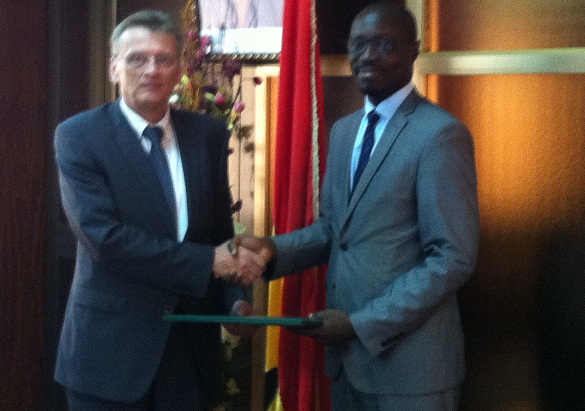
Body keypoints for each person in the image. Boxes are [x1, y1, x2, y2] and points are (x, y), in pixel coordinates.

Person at [242, 1, 480, 410]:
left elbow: (452, 258)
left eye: (384, 44)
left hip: (412, 374)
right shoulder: (344, 131)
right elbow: (335, 230)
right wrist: (272, 250)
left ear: (413, 50)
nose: (368, 55)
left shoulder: (441, 135)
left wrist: (361, 325)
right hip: (347, 366)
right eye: (358, 44)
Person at [53, 10, 264, 410]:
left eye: (163, 59)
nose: (151, 70)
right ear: (114, 68)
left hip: (190, 355)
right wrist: (209, 263)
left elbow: (219, 232)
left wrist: (234, 301)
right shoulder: (80, 136)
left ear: (179, 69)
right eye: (137, 59)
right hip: (110, 356)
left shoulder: (207, 134)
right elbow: (104, 239)